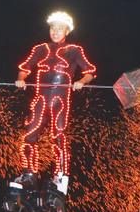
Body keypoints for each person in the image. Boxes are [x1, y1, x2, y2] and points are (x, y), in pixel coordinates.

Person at [13, 11, 97, 193]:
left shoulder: (75, 50)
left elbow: (90, 71)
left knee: (58, 136)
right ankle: (29, 175)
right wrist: (21, 78)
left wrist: (81, 82)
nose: (56, 31)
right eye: (53, 28)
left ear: (67, 31)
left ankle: (60, 176)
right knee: (29, 135)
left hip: (60, 100)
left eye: (60, 28)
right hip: (40, 99)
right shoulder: (40, 48)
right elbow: (24, 68)